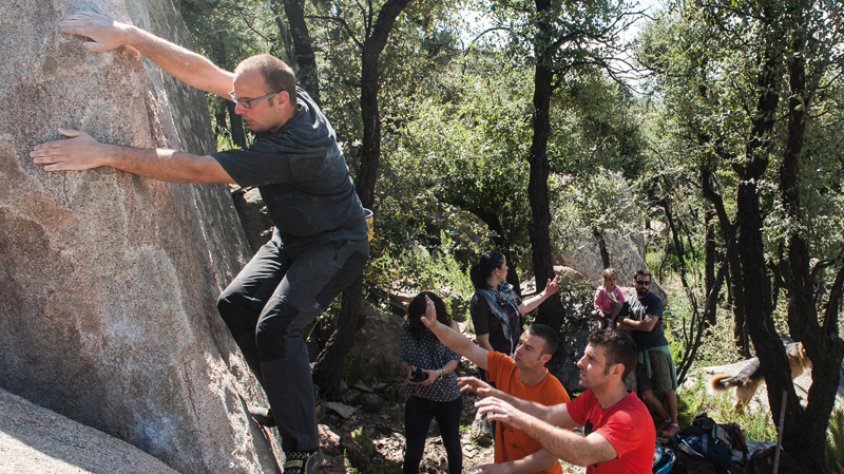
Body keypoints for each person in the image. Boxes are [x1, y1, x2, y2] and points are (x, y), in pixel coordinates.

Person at [31, 12, 370, 474]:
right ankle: (291, 402)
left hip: (338, 244)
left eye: (247, 103)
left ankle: (304, 450)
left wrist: (103, 153)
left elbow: (193, 169)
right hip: (294, 236)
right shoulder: (287, 98)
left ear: (280, 100)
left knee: (276, 326)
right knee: (236, 304)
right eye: (239, 98)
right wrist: (130, 35)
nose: (237, 109)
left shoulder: (291, 148)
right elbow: (206, 73)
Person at [419, 296, 569, 474]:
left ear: (545, 359)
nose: (518, 350)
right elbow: (466, 347)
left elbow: (551, 454)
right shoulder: (505, 366)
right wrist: (435, 326)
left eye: (529, 348)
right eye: (520, 343)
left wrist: (507, 468)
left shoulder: (555, 394)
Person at [475, 330, 655, 474]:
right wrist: (501, 397)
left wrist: (523, 420)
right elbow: (548, 414)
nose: (579, 363)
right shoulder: (593, 397)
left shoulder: (630, 418)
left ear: (616, 371)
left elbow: (583, 453)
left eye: (591, 359)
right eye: (584, 356)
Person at [399, 292, 462, 474]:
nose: (423, 323)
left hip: (448, 396)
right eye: (419, 318)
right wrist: (408, 369)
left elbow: (454, 359)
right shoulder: (407, 329)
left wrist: (437, 373)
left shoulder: (450, 327)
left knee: (452, 445)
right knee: (413, 450)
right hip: (417, 396)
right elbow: (403, 359)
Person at [616, 270, 679, 437]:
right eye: (641, 282)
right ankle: (665, 419)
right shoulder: (630, 303)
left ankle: (675, 423)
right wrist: (637, 323)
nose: (643, 286)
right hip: (641, 352)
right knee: (645, 393)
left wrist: (628, 322)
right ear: (634, 281)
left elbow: (648, 327)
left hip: (657, 348)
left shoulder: (655, 301)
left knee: (667, 388)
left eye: (647, 283)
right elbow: (618, 324)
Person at [470, 251, 560, 357]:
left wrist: (546, 293)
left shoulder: (504, 289)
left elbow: (523, 308)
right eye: (505, 265)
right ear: (497, 271)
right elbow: (483, 342)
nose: (507, 268)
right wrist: (499, 366)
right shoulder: (480, 300)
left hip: (515, 358)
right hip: (497, 365)